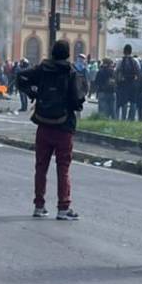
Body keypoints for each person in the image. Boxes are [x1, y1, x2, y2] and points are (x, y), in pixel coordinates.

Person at [17, 39, 85, 220]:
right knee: (63, 168)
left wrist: (34, 94)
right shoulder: (71, 72)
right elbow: (77, 99)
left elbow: (21, 77)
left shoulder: (42, 69)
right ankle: (63, 207)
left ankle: (39, 206)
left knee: (41, 166)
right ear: (68, 54)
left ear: (52, 52)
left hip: (43, 123)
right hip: (64, 126)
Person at [115, 44, 141, 121]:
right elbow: (139, 72)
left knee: (124, 102)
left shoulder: (120, 61)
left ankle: (123, 118)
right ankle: (131, 118)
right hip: (133, 83)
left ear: (124, 51)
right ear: (131, 51)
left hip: (124, 84)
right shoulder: (135, 61)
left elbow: (116, 72)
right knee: (133, 102)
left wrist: (118, 82)